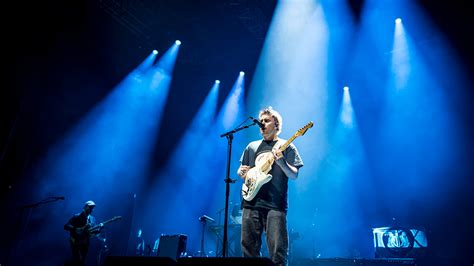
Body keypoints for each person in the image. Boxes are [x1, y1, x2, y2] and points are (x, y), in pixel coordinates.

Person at [237, 107, 304, 266]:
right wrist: (241, 172)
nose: (262, 124)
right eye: (261, 121)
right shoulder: (251, 146)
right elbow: (246, 174)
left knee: (277, 252)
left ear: (276, 124)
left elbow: (294, 175)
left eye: (266, 121)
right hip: (250, 203)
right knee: (248, 251)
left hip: (275, 205)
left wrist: (281, 162)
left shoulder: (287, 146)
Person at [64, 200, 103, 266]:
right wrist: (75, 229)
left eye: (92, 207)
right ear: (85, 207)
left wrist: (100, 228)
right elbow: (66, 226)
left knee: (81, 262)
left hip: (85, 243)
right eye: (90, 207)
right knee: (79, 261)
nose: (91, 209)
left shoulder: (92, 219)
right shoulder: (77, 216)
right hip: (76, 241)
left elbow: (94, 232)